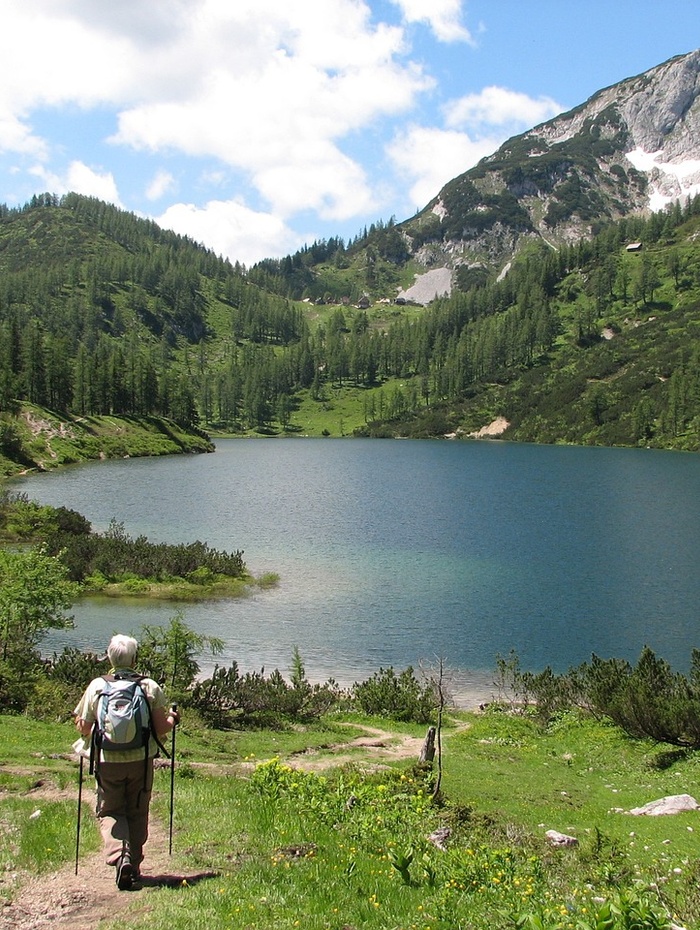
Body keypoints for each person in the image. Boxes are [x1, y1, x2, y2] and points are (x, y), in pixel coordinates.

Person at [73, 634, 179, 890]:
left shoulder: (97, 686)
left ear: (109, 657)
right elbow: (160, 728)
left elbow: (84, 728)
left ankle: (120, 856)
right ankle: (135, 866)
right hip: (141, 760)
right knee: (137, 809)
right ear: (134, 658)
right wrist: (174, 719)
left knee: (109, 810)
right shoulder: (149, 687)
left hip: (106, 760)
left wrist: (80, 721)